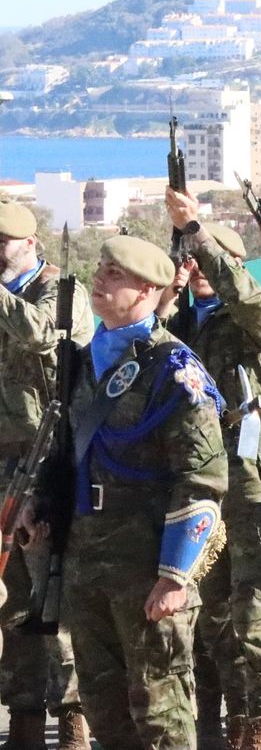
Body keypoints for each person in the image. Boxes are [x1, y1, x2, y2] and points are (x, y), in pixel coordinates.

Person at [27, 234, 227, 748]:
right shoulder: (83, 360)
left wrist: (175, 574)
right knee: (102, 706)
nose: (99, 279)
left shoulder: (174, 370)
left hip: (145, 562)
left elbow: (201, 478)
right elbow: (67, 447)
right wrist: (39, 504)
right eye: (100, 268)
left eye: (114, 274)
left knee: (159, 709)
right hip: (84, 558)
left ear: (147, 290)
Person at [162, 190, 261, 750]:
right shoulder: (185, 325)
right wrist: (167, 290)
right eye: (195, 261)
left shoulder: (256, 315)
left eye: (210, 260)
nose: (198, 269)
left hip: (253, 485)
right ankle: (222, 725)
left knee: (257, 616)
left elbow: (242, 291)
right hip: (200, 489)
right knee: (208, 616)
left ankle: (260, 729)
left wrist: (196, 228)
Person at [0, 201, 92, 750]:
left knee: (50, 592)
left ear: (29, 244)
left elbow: (38, 335)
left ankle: (74, 716)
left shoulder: (60, 291)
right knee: (11, 596)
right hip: (2, 458)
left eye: (2, 245)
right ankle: (24, 717)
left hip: (46, 459)